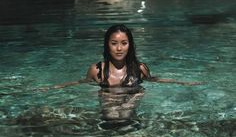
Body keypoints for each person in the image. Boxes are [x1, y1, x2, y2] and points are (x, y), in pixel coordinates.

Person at [42, 24, 204, 91]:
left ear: (130, 45)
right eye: (114, 43)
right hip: (106, 119)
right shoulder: (96, 70)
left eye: (124, 43)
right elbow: (81, 83)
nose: (119, 48)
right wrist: (52, 88)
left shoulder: (140, 68)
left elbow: (155, 80)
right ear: (107, 45)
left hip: (132, 118)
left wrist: (184, 82)